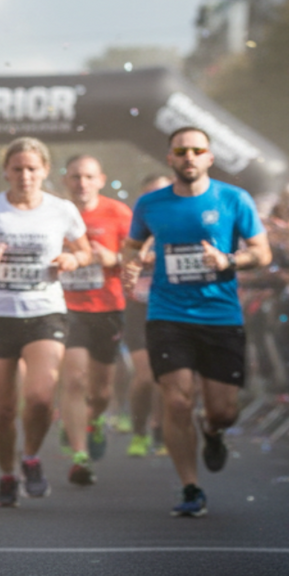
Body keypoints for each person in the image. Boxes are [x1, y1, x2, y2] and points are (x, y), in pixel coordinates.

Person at [121, 126, 269, 518]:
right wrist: (131, 264)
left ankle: (213, 430)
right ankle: (190, 486)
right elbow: (131, 247)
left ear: (209, 157)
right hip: (168, 314)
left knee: (223, 411)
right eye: (181, 151)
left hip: (220, 315)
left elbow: (263, 252)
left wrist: (228, 261)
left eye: (197, 150)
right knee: (176, 400)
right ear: (170, 158)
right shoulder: (150, 204)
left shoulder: (234, 199)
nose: (189, 157)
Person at [0, 137, 90, 506]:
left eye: (32, 169)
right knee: (1, 410)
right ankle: (7, 474)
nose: (25, 176)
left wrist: (72, 260)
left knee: (41, 398)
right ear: (6, 172)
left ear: (44, 171)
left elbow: (85, 251)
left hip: (44, 312)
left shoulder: (61, 210)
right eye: (18, 169)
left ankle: (30, 457)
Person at [57, 154, 132, 485]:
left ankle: (94, 418)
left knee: (101, 391)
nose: (82, 183)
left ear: (100, 180)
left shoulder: (118, 212)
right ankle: (80, 456)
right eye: (75, 177)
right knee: (74, 379)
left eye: (88, 177)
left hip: (107, 308)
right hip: (65, 307)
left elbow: (138, 255)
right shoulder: (55, 212)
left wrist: (112, 257)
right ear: (66, 180)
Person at [121, 175, 171, 457]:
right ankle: (139, 431)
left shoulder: (181, 223)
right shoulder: (133, 225)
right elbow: (119, 258)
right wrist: (137, 260)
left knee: (166, 376)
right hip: (138, 309)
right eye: (150, 193)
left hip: (171, 307)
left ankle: (160, 431)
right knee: (146, 375)